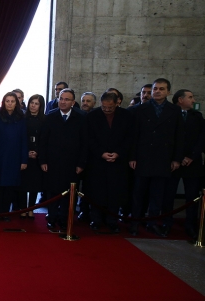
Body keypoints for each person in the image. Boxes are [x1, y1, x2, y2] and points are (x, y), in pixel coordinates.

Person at [128, 78, 184, 237]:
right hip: (143, 157)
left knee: (157, 194)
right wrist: (132, 157)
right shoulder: (141, 109)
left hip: (163, 158)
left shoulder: (175, 111)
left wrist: (176, 159)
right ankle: (135, 222)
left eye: (161, 89)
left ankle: (152, 223)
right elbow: (134, 136)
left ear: (168, 91)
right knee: (138, 193)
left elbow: (179, 137)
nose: (157, 91)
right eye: (155, 89)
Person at [39, 88, 88, 231]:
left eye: (67, 99)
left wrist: (81, 164)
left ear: (73, 102)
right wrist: (43, 161)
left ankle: (65, 220)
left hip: (72, 164)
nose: (63, 101)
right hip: (52, 163)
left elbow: (85, 143)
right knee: (52, 193)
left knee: (69, 194)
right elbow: (43, 141)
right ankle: (52, 218)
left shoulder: (81, 118)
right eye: (61, 98)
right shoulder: (50, 116)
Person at [86, 92, 133, 233]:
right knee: (96, 192)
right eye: (104, 107)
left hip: (118, 161)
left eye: (110, 107)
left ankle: (112, 220)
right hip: (97, 161)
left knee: (115, 193)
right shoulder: (92, 116)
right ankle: (96, 219)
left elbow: (130, 138)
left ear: (117, 103)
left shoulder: (126, 116)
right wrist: (101, 153)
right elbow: (89, 139)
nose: (106, 109)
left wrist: (118, 153)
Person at [161, 89, 205, 239]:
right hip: (173, 163)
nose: (193, 101)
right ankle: (166, 223)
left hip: (193, 164)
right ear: (180, 99)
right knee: (168, 195)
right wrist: (178, 158)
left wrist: (191, 156)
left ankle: (190, 225)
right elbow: (167, 139)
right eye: (190, 97)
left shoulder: (197, 116)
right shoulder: (170, 114)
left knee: (192, 197)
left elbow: (201, 140)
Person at [0, 92, 28, 221]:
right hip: (0, 157)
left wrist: (24, 160)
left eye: (12, 101)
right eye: (7, 101)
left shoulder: (21, 117)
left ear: (16, 103)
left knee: (10, 187)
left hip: (15, 158)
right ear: (3, 102)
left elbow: (24, 140)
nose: (10, 103)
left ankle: (6, 212)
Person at [18, 94, 46, 218]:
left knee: (34, 185)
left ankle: (31, 209)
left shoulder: (45, 120)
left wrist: (38, 151)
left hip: (37, 157)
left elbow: (46, 139)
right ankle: (23, 208)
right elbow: (19, 138)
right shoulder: (22, 119)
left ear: (41, 106)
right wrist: (26, 152)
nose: (33, 106)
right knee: (23, 184)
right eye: (32, 103)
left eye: (36, 103)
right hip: (24, 156)